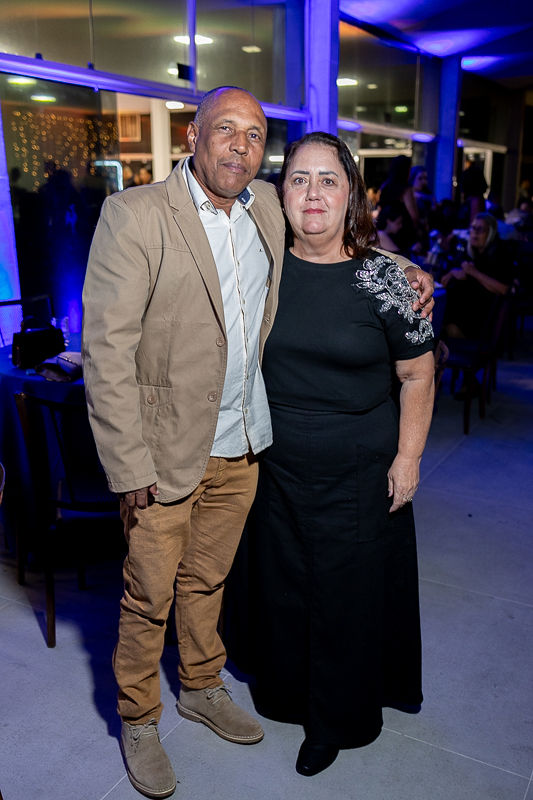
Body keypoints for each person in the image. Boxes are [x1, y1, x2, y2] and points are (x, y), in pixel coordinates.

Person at [83, 87, 435, 799]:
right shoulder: (138, 213)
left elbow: (341, 238)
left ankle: (200, 685)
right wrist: (127, 465)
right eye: (225, 130)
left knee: (208, 582)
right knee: (148, 595)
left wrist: (403, 267)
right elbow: (107, 350)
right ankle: (139, 719)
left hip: (245, 451)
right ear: (194, 135)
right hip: (167, 454)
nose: (239, 147)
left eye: (253, 135)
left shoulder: (264, 207)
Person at [233, 132, 436, 778]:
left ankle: (336, 720)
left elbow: (417, 374)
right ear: (280, 194)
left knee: (345, 596)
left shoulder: (388, 279)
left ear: (352, 194)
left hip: (359, 470)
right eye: (299, 179)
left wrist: (409, 458)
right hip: (275, 466)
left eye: (328, 180)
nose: (313, 193)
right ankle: (286, 695)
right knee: (285, 587)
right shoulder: (260, 266)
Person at [440, 212, 511, 339]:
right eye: (473, 228)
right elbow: (464, 270)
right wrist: (453, 273)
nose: (475, 233)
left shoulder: (500, 255)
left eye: (480, 229)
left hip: (481, 322)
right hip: (464, 314)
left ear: (490, 233)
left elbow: (504, 289)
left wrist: (473, 273)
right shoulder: (474, 253)